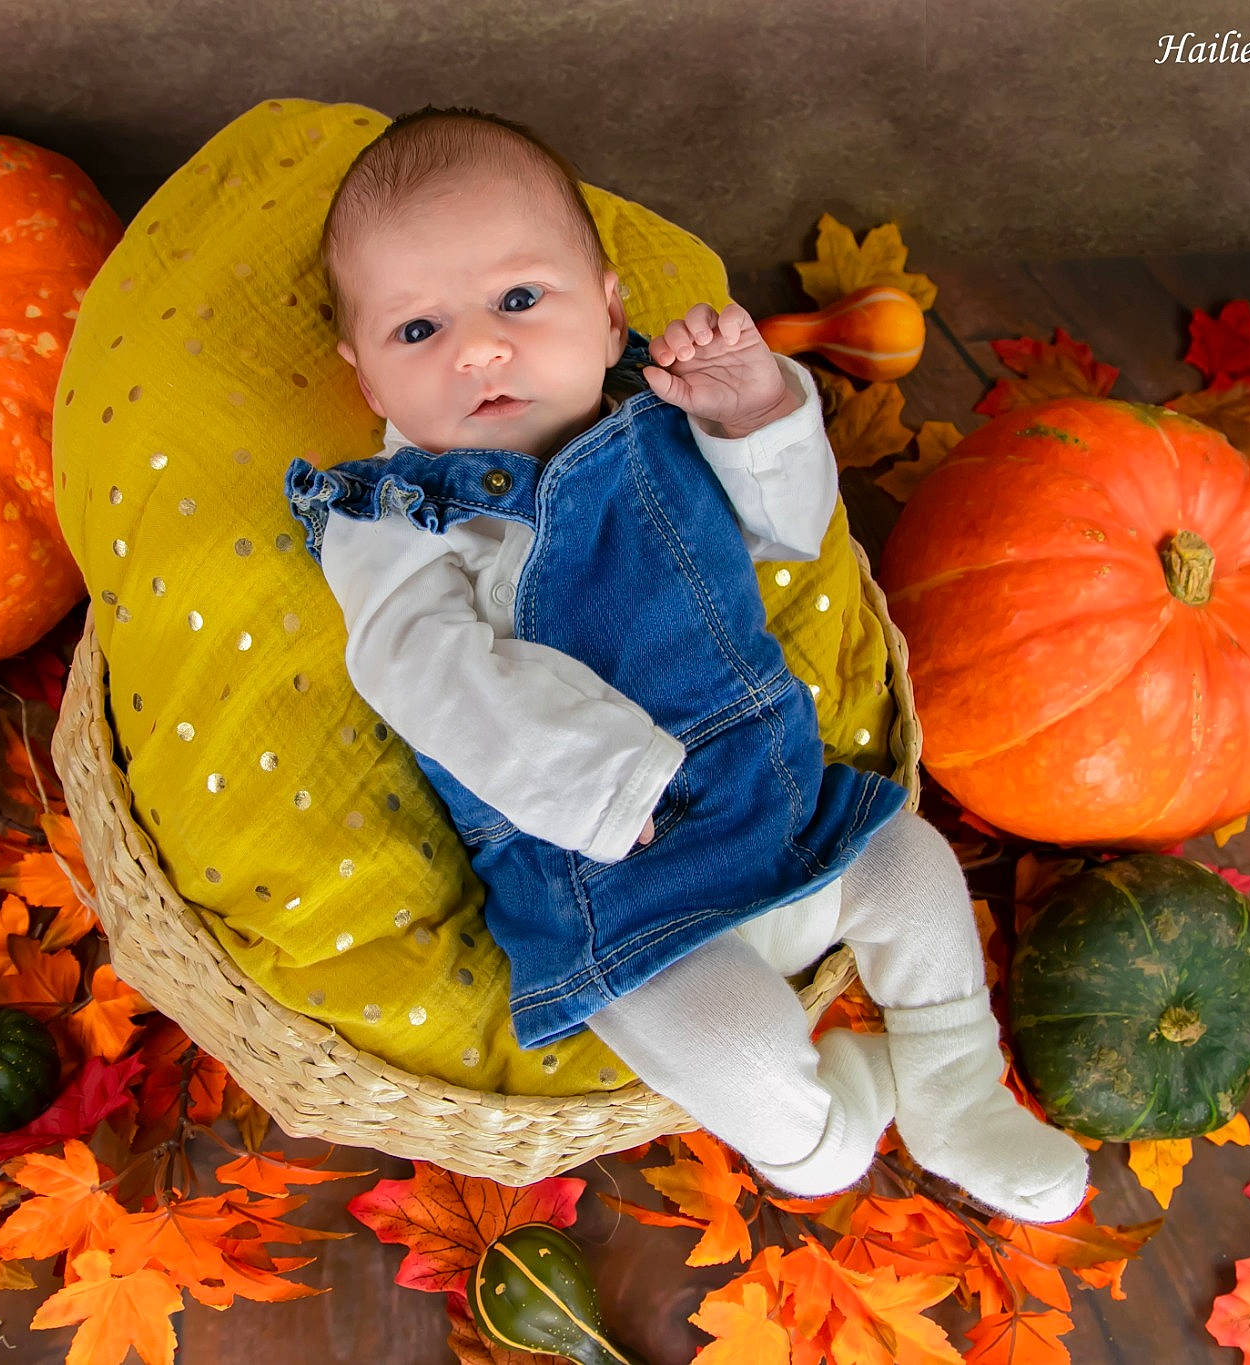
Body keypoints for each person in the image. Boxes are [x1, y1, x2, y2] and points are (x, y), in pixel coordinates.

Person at [282, 106, 1086, 1222]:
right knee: (736, 1053)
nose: (477, 348)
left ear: (611, 315)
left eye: (519, 299)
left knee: (909, 865)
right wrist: (598, 782)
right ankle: (831, 1132)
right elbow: (419, 668)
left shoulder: (659, 419)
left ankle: (953, 1085)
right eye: (415, 331)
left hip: (779, 793)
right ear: (365, 382)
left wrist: (756, 415)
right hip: (615, 869)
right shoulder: (402, 518)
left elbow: (790, 529)